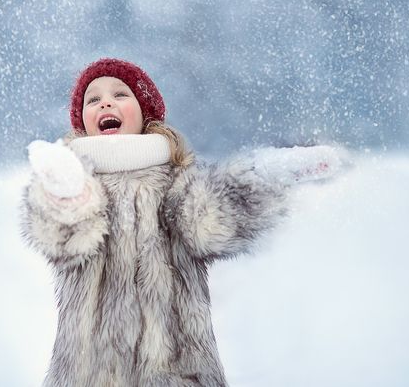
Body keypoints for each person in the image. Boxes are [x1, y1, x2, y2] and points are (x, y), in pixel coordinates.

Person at [20, 58, 342, 387]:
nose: (106, 102)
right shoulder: (76, 185)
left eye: (120, 94)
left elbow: (211, 215)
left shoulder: (174, 185)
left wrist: (268, 175)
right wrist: (65, 192)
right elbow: (62, 237)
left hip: (176, 373)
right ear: (82, 123)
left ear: (146, 114)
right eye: (93, 99)